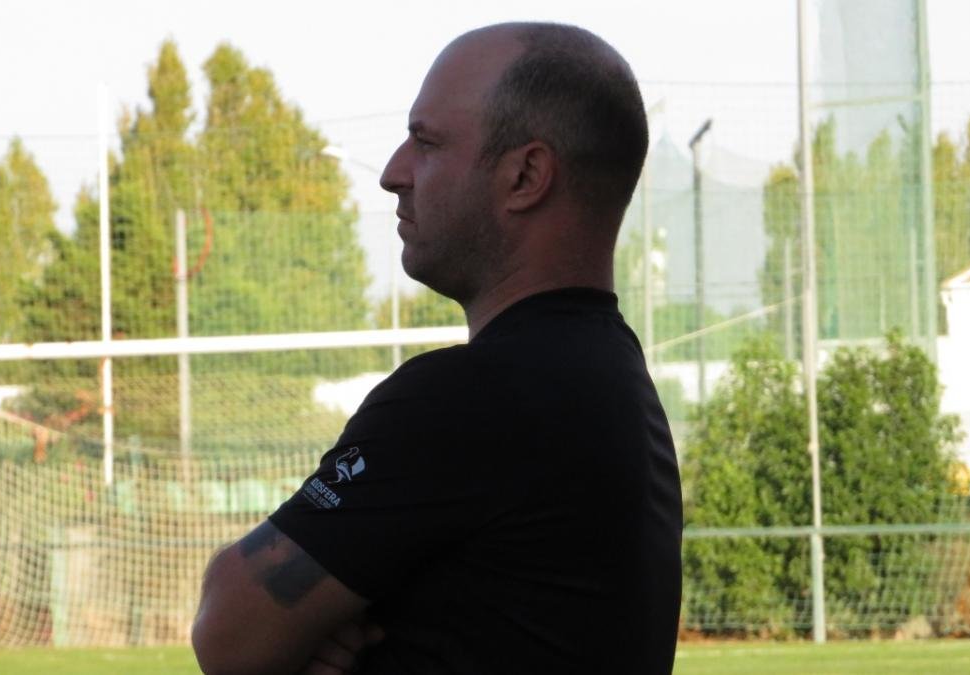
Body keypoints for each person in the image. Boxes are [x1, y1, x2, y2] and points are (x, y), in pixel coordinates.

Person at [192, 21, 682, 675]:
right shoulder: (610, 377)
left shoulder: (475, 396)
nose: (393, 174)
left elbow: (229, 631)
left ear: (526, 175)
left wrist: (323, 629)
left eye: (426, 142)